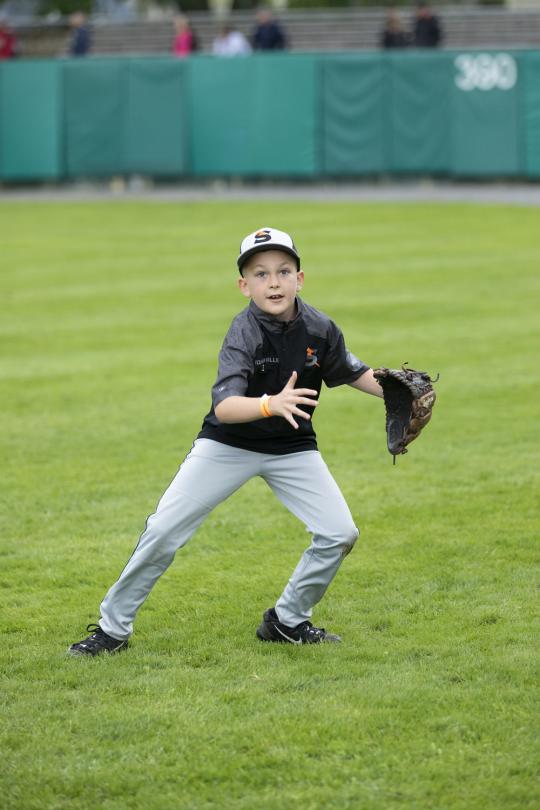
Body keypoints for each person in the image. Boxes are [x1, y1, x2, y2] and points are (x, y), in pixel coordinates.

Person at [69, 227, 384, 656]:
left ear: (300, 278)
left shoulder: (320, 328)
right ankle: (112, 630)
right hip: (227, 446)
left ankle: (288, 621)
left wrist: (399, 391)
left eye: (283, 271)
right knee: (163, 531)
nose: (273, 282)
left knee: (339, 532)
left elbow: (350, 371)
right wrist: (272, 403)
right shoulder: (244, 332)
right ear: (244, 285)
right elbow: (226, 407)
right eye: (260, 273)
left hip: (291, 447)